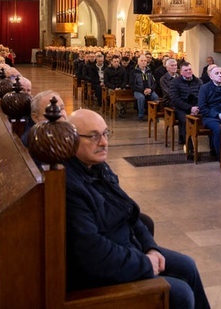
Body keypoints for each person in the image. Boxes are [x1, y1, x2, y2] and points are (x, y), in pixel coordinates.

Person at [64, 109, 210, 309]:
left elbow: (129, 212)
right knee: (179, 293)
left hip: (128, 247)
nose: (104, 142)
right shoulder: (69, 185)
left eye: (106, 133)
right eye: (93, 136)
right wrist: (144, 263)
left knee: (187, 265)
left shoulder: (99, 167)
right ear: (70, 140)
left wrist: (151, 247)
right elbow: (92, 253)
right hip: (103, 271)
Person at [198, 65, 221, 159]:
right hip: (210, 116)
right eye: (217, 73)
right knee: (218, 129)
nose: (220, 75)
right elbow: (202, 107)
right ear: (211, 76)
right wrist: (218, 115)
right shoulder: (204, 88)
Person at [169, 62, 203, 148]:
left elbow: (202, 96)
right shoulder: (175, 82)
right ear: (181, 72)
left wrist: (196, 107)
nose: (188, 71)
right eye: (186, 70)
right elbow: (175, 99)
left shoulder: (198, 81)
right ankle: (190, 148)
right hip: (182, 108)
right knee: (185, 121)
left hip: (197, 107)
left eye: (190, 69)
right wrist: (190, 108)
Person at [131, 55, 158, 122]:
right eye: (141, 61)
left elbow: (154, 83)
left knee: (155, 97)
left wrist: (150, 89)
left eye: (145, 61)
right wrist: (143, 90)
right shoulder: (134, 72)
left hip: (149, 90)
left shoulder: (149, 71)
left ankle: (154, 115)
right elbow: (133, 85)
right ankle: (141, 116)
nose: (143, 62)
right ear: (138, 62)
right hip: (138, 91)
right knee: (141, 98)